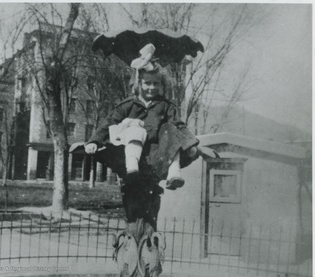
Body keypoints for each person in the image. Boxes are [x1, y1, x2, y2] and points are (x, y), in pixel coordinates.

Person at [84, 44, 217, 190]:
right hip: (132, 149)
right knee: (134, 127)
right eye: (147, 83)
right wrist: (94, 141)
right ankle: (132, 169)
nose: (151, 87)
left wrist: (193, 145)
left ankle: (174, 173)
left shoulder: (165, 105)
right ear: (138, 83)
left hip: (157, 152)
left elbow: (179, 126)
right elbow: (109, 122)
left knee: (170, 128)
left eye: (156, 84)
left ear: (161, 85)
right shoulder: (129, 104)